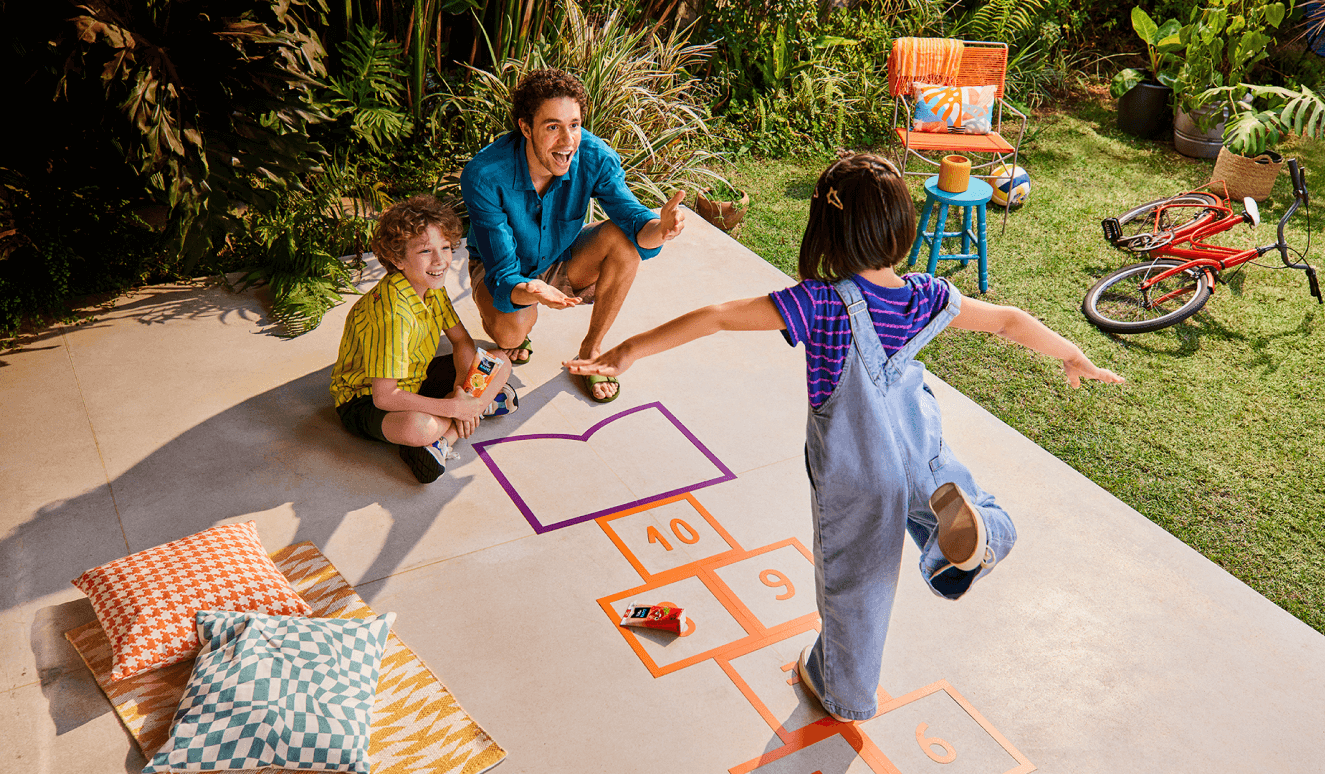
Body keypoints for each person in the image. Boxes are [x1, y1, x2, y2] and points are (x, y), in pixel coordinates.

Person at [565, 153, 1125, 722]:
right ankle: (977, 544)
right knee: (974, 508)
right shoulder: (925, 295)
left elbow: (717, 315)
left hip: (857, 474)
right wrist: (1071, 353)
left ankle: (845, 693)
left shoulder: (819, 305)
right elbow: (1007, 318)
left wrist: (628, 349)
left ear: (827, 232)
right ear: (899, 228)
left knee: (856, 590)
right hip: (920, 449)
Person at [460, 67, 686, 403]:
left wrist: (662, 229)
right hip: (503, 270)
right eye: (553, 127)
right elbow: (504, 274)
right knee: (511, 333)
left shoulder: (594, 156)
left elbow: (636, 224)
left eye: (575, 125)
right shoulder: (485, 175)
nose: (568, 141)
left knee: (623, 243)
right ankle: (517, 334)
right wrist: (533, 291)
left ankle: (591, 350)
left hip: (560, 254)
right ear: (525, 127)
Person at [330, 194, 517, 484]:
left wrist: (461, 393)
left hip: (416, 377)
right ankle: (466, 417)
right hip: (366, 399)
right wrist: (455, 407)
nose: (440, 261)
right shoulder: (393, 315)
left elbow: (462, 342)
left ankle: (446, 439)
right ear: (396, 258)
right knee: (419, 428)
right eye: (425, 252)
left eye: (445, 247)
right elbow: (384, 397)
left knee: (499, 361)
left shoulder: (431, 284)